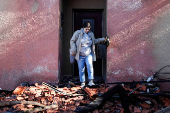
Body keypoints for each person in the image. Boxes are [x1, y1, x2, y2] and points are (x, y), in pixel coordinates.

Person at [70, 21, 106, 87]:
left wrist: (102, 39)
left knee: (90, 66)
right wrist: (73, 49)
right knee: (81, 69)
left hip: (88, 53)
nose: (87, 30)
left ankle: (91, 81)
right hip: (80, 54)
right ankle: (82, 82)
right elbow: (72, 41)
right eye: (86, 29)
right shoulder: (78, 33)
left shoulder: (91, 34)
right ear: (83, 28)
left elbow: (94, 41)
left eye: (88, 29)